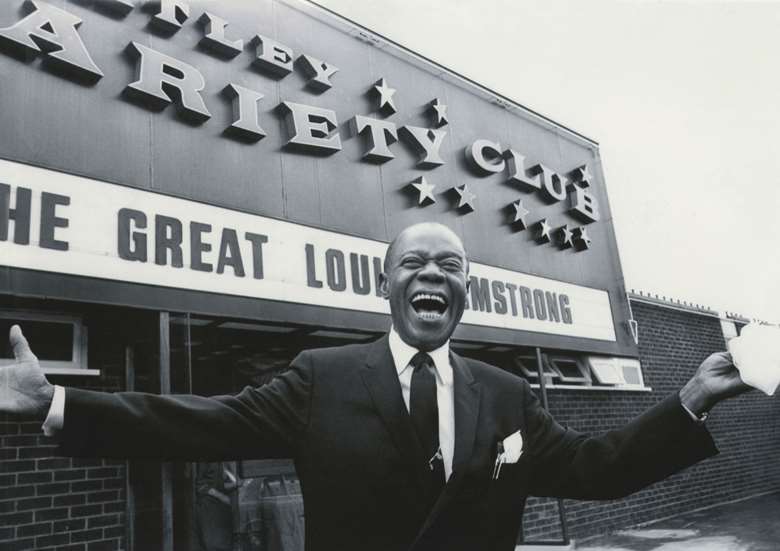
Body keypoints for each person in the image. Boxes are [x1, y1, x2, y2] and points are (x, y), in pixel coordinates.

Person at [0, 222, 753, 551]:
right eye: (416, 261)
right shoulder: (319, 379)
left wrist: (690, 396)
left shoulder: (506, 391)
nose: (434, 273)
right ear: (384, 280)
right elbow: (200, 422)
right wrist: (58, 403)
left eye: (451, 265)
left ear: (468, 288)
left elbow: (602, 468)